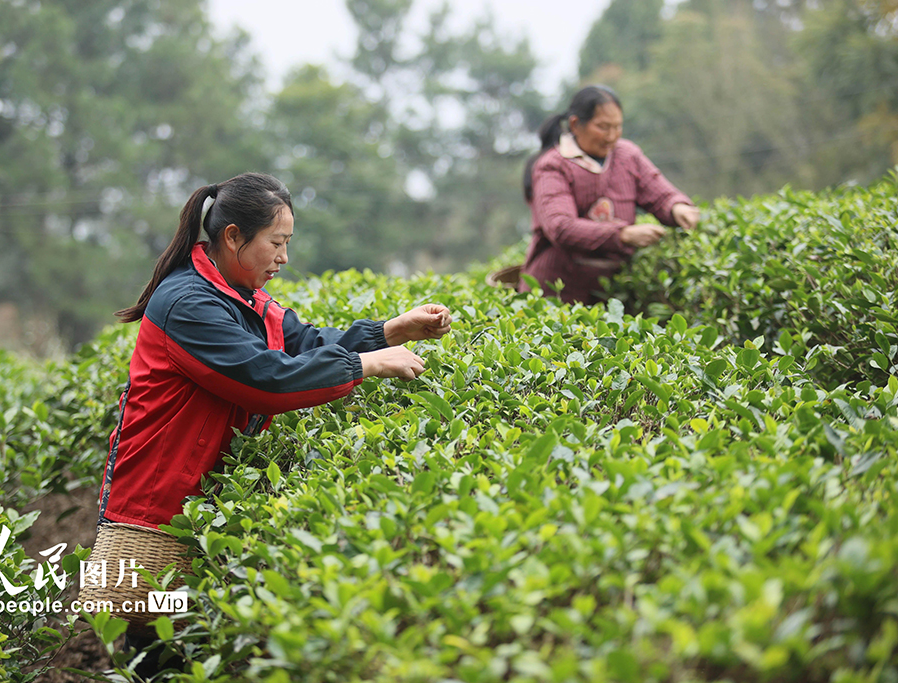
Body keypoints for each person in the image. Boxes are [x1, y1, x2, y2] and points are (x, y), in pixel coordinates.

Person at [97, 172, 452, 676]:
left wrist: (391, 330)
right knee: (157, 648)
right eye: (277, 243)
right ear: (234, 236)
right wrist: (366, 365)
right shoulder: (190, 303)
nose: (284, 257)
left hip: (201, 497)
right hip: (159, 494)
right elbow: (264, 379)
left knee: (197, 646)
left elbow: (304, 344)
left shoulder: (242, 295)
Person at [519, 85, 700, 304]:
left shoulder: (627, 155)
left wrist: (676, 207)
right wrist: (622, 234)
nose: (612, 136)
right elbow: (561, 226)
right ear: (576, 125)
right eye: (603, 127)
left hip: (612, 291)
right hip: (556, 292)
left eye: (617, 127)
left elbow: (657, 192)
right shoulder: (553, 166)